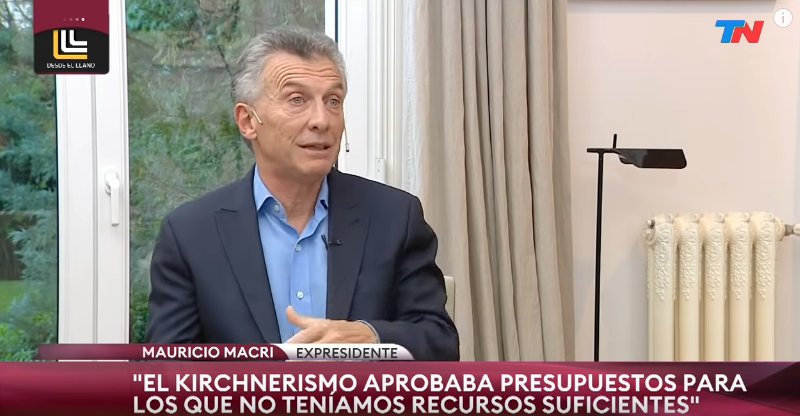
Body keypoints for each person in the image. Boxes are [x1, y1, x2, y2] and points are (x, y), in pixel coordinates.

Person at [144, 27, 459, 361]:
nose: (321, 120)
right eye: (297, 100)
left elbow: (440, 343)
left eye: (333, 101)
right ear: (247, 121)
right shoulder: (191, 234)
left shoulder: (395, 217)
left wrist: (372, 337)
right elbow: (165, 371)